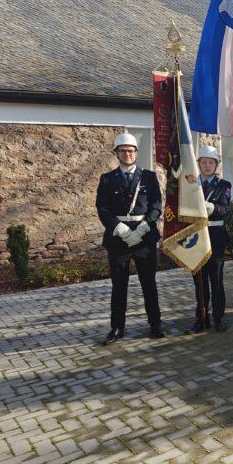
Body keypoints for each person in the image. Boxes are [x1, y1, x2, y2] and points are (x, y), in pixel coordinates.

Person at [95, 132, 164, 344]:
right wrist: (121, 229)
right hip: (119, 239)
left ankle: (155, 324)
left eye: (131, 150)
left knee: (148, 283)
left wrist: (144, 227)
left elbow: (156, 205)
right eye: (123, 150)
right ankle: (117, 327)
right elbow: (102, 208)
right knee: (119, 285)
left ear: (136, 153)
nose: (127, 154)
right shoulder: (107, 179)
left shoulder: (149, 177)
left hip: (144, 237)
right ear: (117, 153)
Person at [186, 145, 231, 334]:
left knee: (216, 279)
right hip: (196, 236)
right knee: (200, 281)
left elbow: (225, 209)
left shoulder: (224, 185)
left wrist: (211, 208)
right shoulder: (190, 183)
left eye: (211, 162)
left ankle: (219, 317)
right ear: (198, 164)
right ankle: (201, 318)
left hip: (215, 236)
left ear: (216, 165)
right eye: (203, 162)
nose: (207, 166)